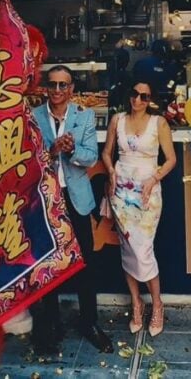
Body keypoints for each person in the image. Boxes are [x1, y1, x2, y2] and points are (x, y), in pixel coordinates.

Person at [31, 65, 113, 354]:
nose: (57, 91)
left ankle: (88, 321)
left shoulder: (84, 115)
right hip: (47, 201)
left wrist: (70, 150)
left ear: (71, 89)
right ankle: (51, 322)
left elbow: (91, 157)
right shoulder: (33, 116)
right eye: (52, 85)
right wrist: (51, 152)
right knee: (51, 263)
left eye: (63, 85)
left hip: (76, 198)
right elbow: (27, 160)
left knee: (84, 262)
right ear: (45, 88)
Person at [101, 80, 177, 337]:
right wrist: (110, 171)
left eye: (144, 96)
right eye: (134, 94)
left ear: (151, 100)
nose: (138, 100)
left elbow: (171, 160)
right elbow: (106, 153)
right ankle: (136, 302)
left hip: (147, 192)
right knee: (127, 247)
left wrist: (154, 178)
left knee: (142, 249)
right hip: (120, 190)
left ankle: (157, 303)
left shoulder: (159, 124)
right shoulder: (117, 120)